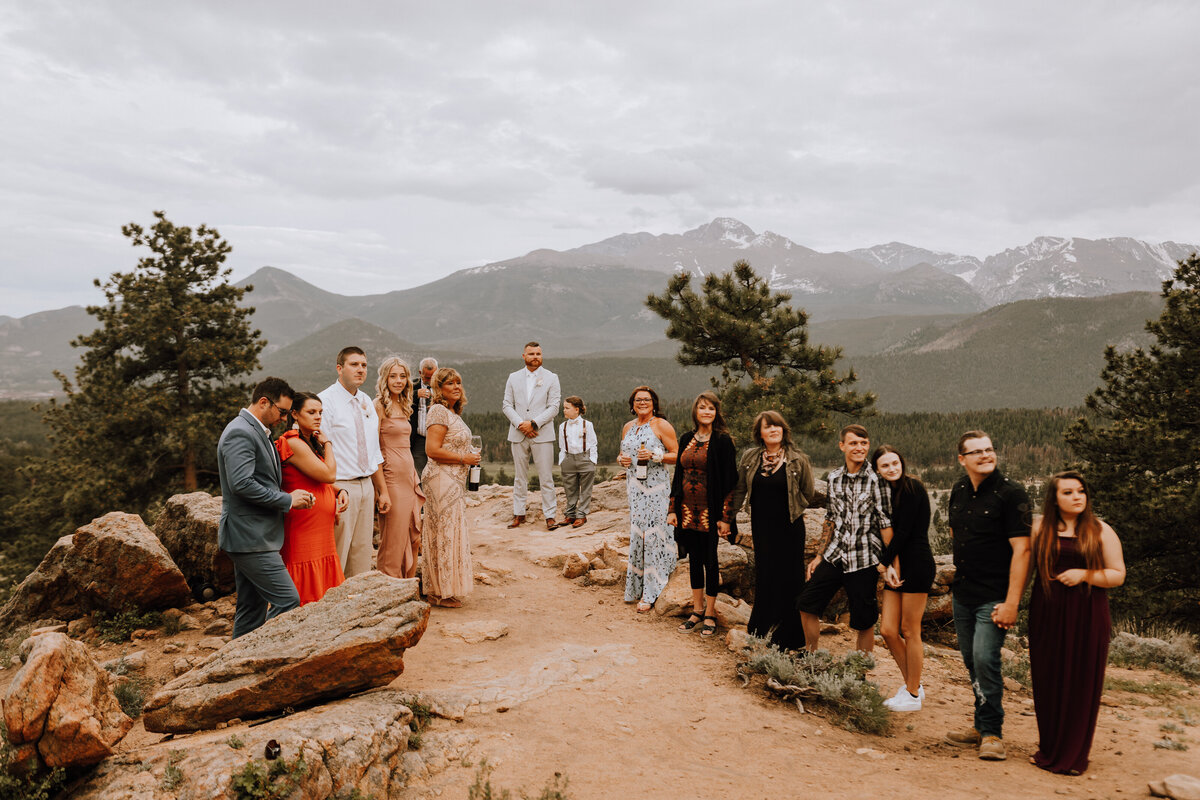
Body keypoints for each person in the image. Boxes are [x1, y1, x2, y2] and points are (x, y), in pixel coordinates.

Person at [1029, 471, 1124, 775]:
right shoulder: (1040, 528)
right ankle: (1049, 749)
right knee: (1048, 678)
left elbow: (1117, 574)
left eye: (1080, 491)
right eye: (1068, 492)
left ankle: (1074, 756)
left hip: (1088, 614)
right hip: (1047, 612)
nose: (1076, 497)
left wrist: (1085, 575)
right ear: (1054, 499)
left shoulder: (1100, 530)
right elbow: (1020, 565)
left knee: (1083, 680)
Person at [944, 430, 1032, 762]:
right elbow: (956, 533)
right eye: (977, 451)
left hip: (994, 595)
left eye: (990, 449)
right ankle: (981, 724)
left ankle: (992, 733)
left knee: (985, 658)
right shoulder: (959, 490)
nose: (985, 455)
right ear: (962, 459)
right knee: (970, 660)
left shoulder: (1012, 494)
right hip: (964, 591)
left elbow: (1022, 552)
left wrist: (1012, 603)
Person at [217, 377, 314, 639]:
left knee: (251, 609)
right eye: (282, 412)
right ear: (263, 402)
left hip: (255, 536)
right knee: (287, 600)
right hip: (249, 537)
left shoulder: (257, 430)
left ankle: (236, 667)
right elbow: (241, 484)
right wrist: (287, 500)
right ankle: (268, 657)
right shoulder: (241, 432)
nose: (284, 419)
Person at [796, 424, 895, 654]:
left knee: (864, 620)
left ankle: (860, 672)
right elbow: (830, 518)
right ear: (842, 446)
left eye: (863, 443)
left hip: (864, 559)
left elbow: (885, 523)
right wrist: (820, 555)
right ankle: (811, 657)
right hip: (835, 556)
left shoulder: (876, 480)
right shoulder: (834, 478)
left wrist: (891, 562)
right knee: (806, 604)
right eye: (853, 443)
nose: (859, 448)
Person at [728, 410, 816, 651]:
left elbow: (808, 492)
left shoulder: (797, 459)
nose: (773, 430)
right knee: (766, 574)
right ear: (760, 433)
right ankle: (761, 627)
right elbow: (739, 490)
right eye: (768, 427)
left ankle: (790, 634)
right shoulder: (751, 457)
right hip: (762, 527)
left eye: (777, 426)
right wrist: (728, 518)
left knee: (791, 577)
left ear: (783, 430)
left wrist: (793, 506)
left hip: (790, 527)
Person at [667, 391, 738, 637]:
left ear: (716, 413)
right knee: (694, 561)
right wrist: (673, 509)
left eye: (711, 408)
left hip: (710, 512)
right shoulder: (686, 438)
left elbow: (731, 482)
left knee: (710, 560)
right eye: (702, 408)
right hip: (687, 511)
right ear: (695, 412)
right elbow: (678, 476)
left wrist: (726, 517)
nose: (706, 412)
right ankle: (696, 610)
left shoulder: (723, 441)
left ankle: (710, 612)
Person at [318, 346, 391, 577]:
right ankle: (331, 604)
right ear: (340, 368)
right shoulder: (325, 402)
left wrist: (383, 490)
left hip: (366, 487)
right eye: (354, 364)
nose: (360, 370)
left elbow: (373, 450)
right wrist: (331, 488)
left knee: (361, 552)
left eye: (364, 365)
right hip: (341, 486)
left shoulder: (367, 401)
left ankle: (356, 603)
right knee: (338, 551)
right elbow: (319, 450)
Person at [872, 445, 935, 712]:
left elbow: (906, 531)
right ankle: (914, 686)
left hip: (916, 563)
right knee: (887, 630)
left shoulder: (912, 488)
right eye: (885, 465)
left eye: (895, 463)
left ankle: (911, 693)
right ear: (877, 469)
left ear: (902, 463)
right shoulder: (884, 493)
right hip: (897, 564)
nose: (892, 469)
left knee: (910, 631)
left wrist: (884, 563)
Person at [275, 392, 347, 604]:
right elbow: (328, 474)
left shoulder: (308, 442)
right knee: (304, 582)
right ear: (295, 414)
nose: (318, 417)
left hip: (320, 529)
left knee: (325, 584)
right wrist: (328, 444)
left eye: (320, 412)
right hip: (303, 525)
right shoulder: (293, 443)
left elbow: (319, 480)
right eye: (311, 412)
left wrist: (339, 491)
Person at [420, 367, 481, 607]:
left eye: (458, 382)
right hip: (440, 478)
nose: (456, 386)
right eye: (449, 383)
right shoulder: (437, 411)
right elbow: (432, 450)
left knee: (450, 530)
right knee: (442, 533)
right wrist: (462, 459)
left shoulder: (452, 412)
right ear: (439, 388)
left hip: (454, 479)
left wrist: (468, 457)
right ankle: (438, 591)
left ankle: (446, 587)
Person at [616, 386, 679, 612]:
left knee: (654, 534)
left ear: (654, 403)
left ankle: (652, 590)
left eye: (647, 399)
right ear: (632, 404)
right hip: (634, 487)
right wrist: (622, 460)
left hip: (656, 488)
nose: (643, 403)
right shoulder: (628, 427)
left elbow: (677, 455)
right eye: (638, 400)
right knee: (638, 533)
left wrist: (656, 455)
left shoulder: (661, 425)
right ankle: (636, 586)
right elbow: (624, 454)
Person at [375, 355, 426, 580]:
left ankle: (407, 586)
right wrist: (381, 489)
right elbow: (373, 450)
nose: (398, 380)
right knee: (393, 540)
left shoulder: (404, 405)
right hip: (391, 478)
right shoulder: (378, 406)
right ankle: (388, 588)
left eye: (403, 376)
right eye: (393, 376)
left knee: (414, 538)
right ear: (385, 378)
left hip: (409, 476)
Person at [502, 342, 561, 531]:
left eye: (538, 353)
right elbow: (506, 405)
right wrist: (521, 424)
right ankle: (519, 513)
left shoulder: (552, 377)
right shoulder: (513, 377)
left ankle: (550, 515)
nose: (535, 356)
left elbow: (554, 407)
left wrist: (534, 423)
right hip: (518, 433)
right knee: (520, 476)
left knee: (546, 476)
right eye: (531, 353)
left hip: (541, 433)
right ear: (523, 356)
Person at [558, 396, 597, 528]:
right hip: (568, 459)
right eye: (564, 408)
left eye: (567, 408)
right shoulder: (562, 426)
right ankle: (570, 514)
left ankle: (581, 515)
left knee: (585, 489)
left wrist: (592, 461)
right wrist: (562, 460)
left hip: (585, 459)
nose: (564, 410)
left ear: (576, 409)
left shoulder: (588, 424)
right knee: (570, 488)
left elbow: (593, 443)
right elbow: (561, 445)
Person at [409, 357, 437, 478]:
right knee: (418, 473)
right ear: (420, 373)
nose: (430, 380)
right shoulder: (411, 386)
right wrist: (415, 395)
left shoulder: (443, 386)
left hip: (437, 438)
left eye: (432, 377)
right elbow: (399, 400)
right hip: (418, 438)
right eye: (426, 377)